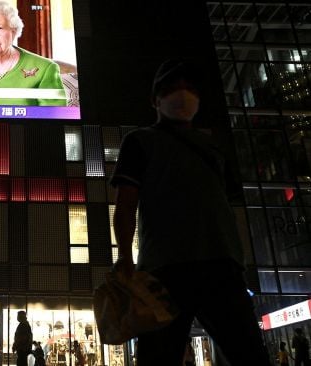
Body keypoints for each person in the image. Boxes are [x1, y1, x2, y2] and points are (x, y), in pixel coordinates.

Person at [110, 58, 271, 365]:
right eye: (173, 88)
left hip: (220, 264)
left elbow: (228, 204)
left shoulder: (213, 146)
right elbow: (125, 202)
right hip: (166, 267)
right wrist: (124, 256)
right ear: (156, 100)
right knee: (161, 356)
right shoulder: (140, 140)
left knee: (249, 355)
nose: (182, 94)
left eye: (189, 88)